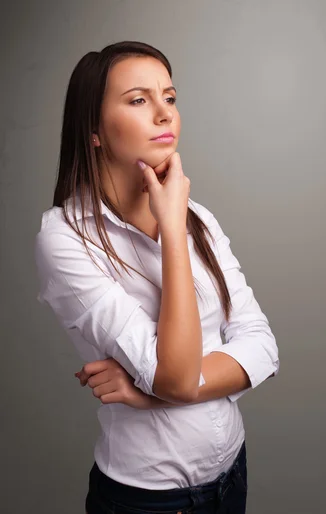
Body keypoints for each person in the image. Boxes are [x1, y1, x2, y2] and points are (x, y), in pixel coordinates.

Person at [33, 41, 280, 514]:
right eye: (139, 100)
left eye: (169, 97)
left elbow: (262, 343)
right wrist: (170, 229)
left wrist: (155, 397)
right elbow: (175, 375)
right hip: (147, 500)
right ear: (94, 130)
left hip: (232, 475)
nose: (164, 114)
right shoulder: (64, 237)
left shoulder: (199, 219)